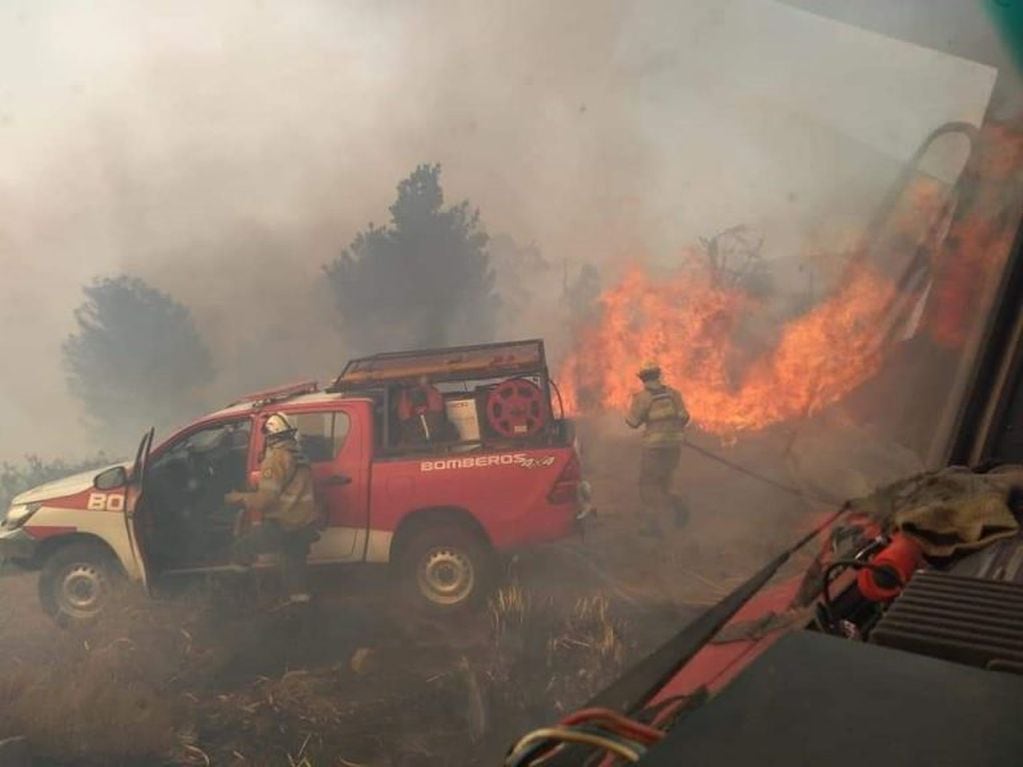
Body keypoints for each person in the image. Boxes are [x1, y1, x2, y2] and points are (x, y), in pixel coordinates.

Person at [225, 412, 319, 607]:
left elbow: (263, 501)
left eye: (267, 434)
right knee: (295, 570)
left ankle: (235, 596)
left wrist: (237, 497)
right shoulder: (300, 455)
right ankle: (301, 611)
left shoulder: (276, 460)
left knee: (240, 550)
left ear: (273, 435)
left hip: (282, 525)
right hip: (303, 524)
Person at [626, 361, 691, 536]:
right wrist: (671, 430)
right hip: (674, 445)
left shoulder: (642, 397)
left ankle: (652, 526)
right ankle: (680, 508)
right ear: (658, 376)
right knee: (666, 481)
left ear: (643, 379)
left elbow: (632, 423)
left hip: (654, 448)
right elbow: (684, 417)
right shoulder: (673, 394)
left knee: (648, 485)